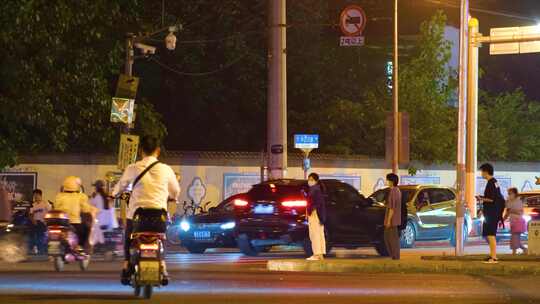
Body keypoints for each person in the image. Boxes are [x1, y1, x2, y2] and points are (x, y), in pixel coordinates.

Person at [113, 135, 180, 285]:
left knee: (128, 237)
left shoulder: (133, 168)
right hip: (159, 217)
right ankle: (163, 267)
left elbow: (120, 186)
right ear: (157, 151)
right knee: (162, 239)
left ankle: (126, 265)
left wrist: (112, 195)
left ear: (141, 151)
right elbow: (175, 190)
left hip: (137, 217)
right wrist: (174, 197)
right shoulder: (166, 169)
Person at [54, 176, 98, 251]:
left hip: (60, 222)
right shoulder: (81, 196)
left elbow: (55, 206)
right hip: (74, 222)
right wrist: (94, 209)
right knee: (86, 230)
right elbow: (85, 208)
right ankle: (80, 247)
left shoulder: (59, 196)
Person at [476, 163, 505, 264]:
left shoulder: (491, 183)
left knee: (490, 234)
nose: (481, 174)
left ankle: (494, 257)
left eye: (482, 171)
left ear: (486, 171)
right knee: (490, 234)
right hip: (494, 212)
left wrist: (481, 198)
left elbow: (491, 199)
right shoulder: (494, 182)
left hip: (492, 212)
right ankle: (493, 256)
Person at [89, 180, 118, 247]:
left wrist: (91, 197)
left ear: (96, 188)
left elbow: (90, 204)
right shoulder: (107, 197)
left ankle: (93, 247)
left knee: (92, 229)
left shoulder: (97, 196)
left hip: (100, 222)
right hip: (110, 223)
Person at [305, 173, 326, 261]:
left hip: (314, 214)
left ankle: (316, 254)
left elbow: (314, 203)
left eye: (311, 179)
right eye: (309, 179)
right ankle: (320, 254)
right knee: (320, 234)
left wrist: (310, 212)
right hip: (319, 215)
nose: (309, 181)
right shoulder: (318, 189)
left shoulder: (314, 190)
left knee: (314, 234)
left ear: (316, 180)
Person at [505, 187, 527, 255]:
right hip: (513, 221)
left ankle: (514, 252)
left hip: (518, 221)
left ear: (515, 194)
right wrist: (504, 218)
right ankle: (524, 249)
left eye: (510, 193)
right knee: (516, 238)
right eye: (508, 194)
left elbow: (520, 212)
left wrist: (511, 211)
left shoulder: (519, 201)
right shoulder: (509, 201)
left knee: (514, 237)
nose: (509, 195)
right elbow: (507, 212)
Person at [384, 173, 402, 260]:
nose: (386, 181)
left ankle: (395, 256)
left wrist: (388, 220)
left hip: (392, 220)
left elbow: (392, 207)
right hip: (395, 219)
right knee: (390, 237)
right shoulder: (397, 190)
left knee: (391, 239)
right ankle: (394, 255)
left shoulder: (393, 191)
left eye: (387, 180)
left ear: (391, 181)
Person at [29, 189, 51, 254]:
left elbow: (50, 213)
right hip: (35, 223)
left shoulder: (46, 204)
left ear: (40, 195)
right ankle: (33, 250)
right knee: (33, 237)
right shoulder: (33, 205)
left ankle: (42, 251)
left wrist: (46, 221)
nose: (35, 197)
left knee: (41, 237)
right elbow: (30, 215)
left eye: (37, 195)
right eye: (34, 196)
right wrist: (33, 221)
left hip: (43, 223)